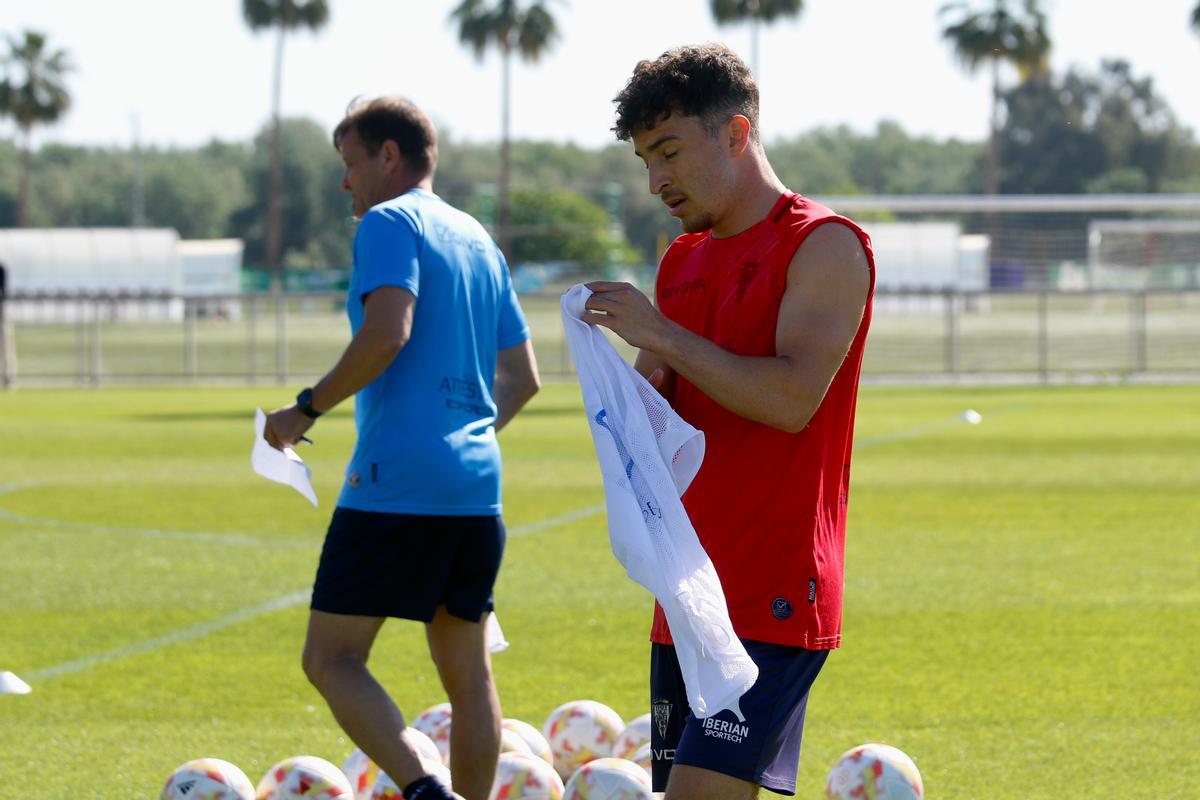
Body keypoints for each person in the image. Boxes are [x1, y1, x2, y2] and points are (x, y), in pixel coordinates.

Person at [583, 44, 876, 800]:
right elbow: (660, 419)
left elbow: (790, 399)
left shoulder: (826, 244)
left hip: (774, 590)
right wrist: (613, 380)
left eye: (670, 152)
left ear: (737, 134)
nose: (655, 181)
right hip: (686, 594)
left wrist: (663, 336)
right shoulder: (680, 260)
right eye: (646, 158)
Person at [263, 96, 540, 800]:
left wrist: (303, 410)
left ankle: (425, 788)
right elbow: (525, 377)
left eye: (351, 164)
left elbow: (389, 331)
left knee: (331, 659)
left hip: (396, 482)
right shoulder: (479, 238)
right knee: (470, 677)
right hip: (477, 486)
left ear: (389, 157)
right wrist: (462, 440)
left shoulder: (390, 221)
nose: (345, 183)